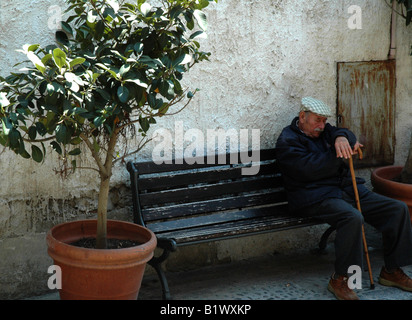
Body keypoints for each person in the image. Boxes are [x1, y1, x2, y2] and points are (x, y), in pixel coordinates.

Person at [275, 96, 412, 300]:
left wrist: (341, 138)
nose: (322, 126)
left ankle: (391, 271)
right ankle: (340, 279)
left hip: (345, 190)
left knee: (397, 209)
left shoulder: (325, 131)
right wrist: (339, 153)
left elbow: (343, 131)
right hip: (313, 197)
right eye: (317, 121)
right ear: (302, 116)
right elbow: (309, 170)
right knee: (352, 217)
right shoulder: (287, 140)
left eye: (324, 121)